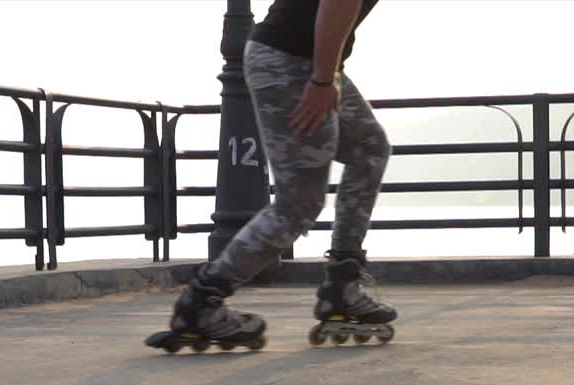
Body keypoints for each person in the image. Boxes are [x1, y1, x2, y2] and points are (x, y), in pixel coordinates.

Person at [146, 0, 395, 353]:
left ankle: (343, 284)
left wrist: (328, 74)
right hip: (292, 62)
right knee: (298, 205)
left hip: (303, 60)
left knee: (369, 149)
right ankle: (200, 303)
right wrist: (322, 80)